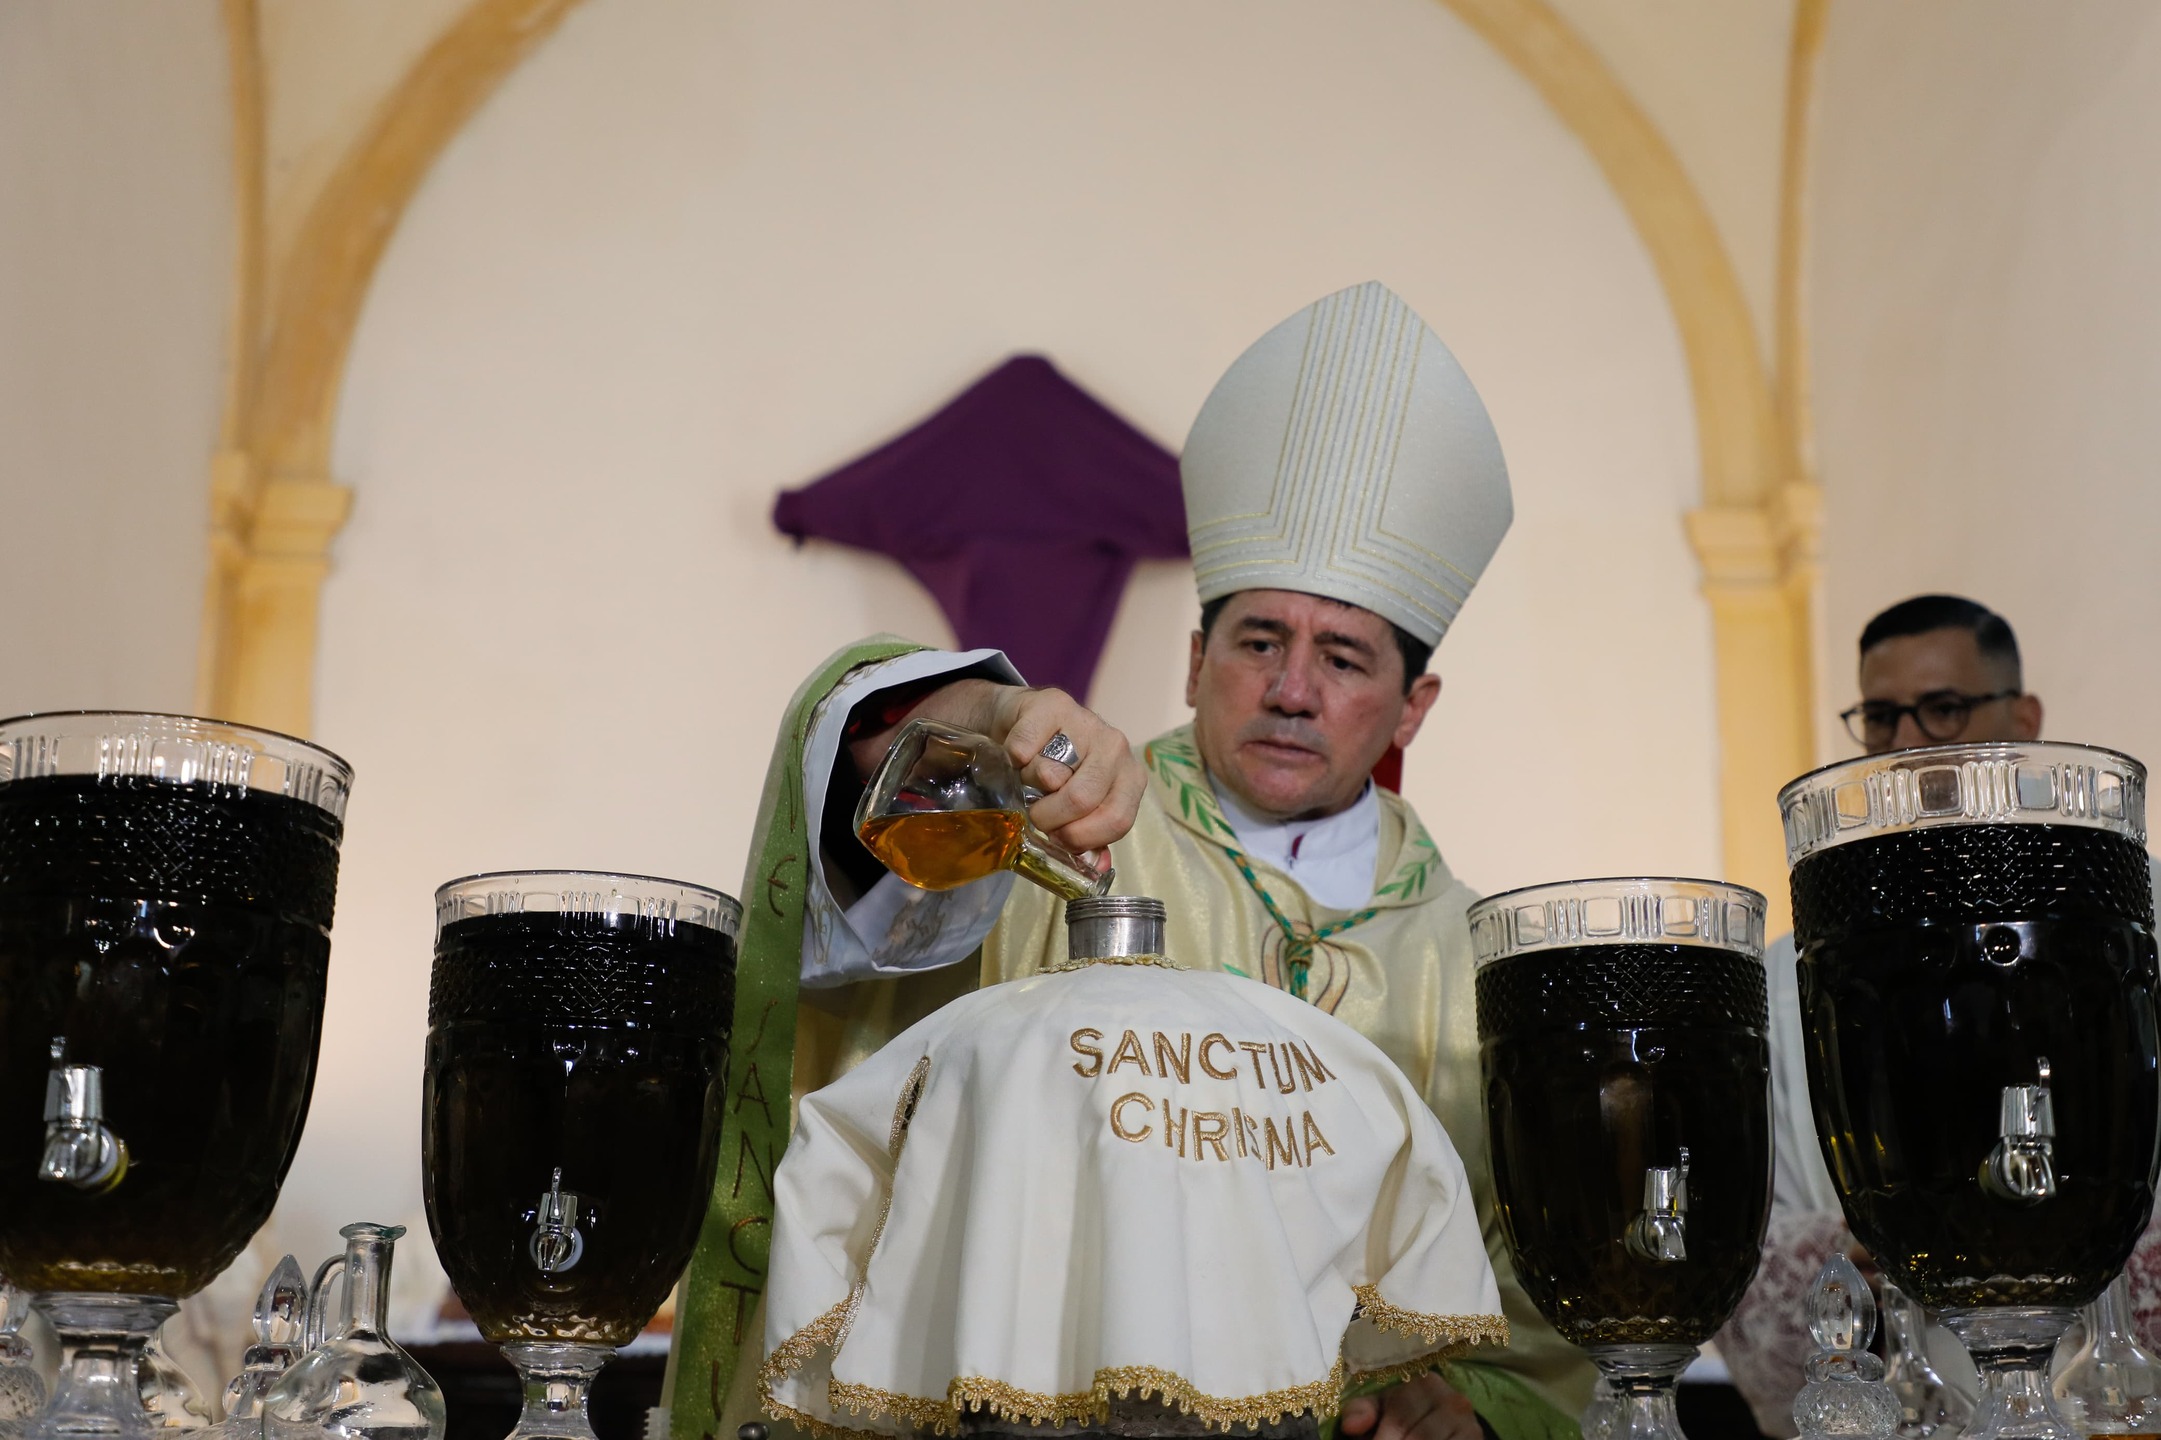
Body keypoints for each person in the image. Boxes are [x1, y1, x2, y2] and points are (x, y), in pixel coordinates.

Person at [663, 283, 1594, 1440]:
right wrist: (986, 710)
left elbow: (1545, 1281)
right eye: (1258, 641)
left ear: (1414, 709)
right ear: (1198, 659)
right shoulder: (1059, 824)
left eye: (1345, 657)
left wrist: (1470, 1402)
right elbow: (870, 773)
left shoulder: (1479, 962)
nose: (1292, 688)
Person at [1720, 593, 2161, 1434]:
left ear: (2023, 719)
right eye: (1880, 716)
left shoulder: (2129, 924)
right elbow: (1750, 1237)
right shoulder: (1790, 978)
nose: (1907, 744)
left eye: (1944, 709)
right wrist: (1851, 1255)